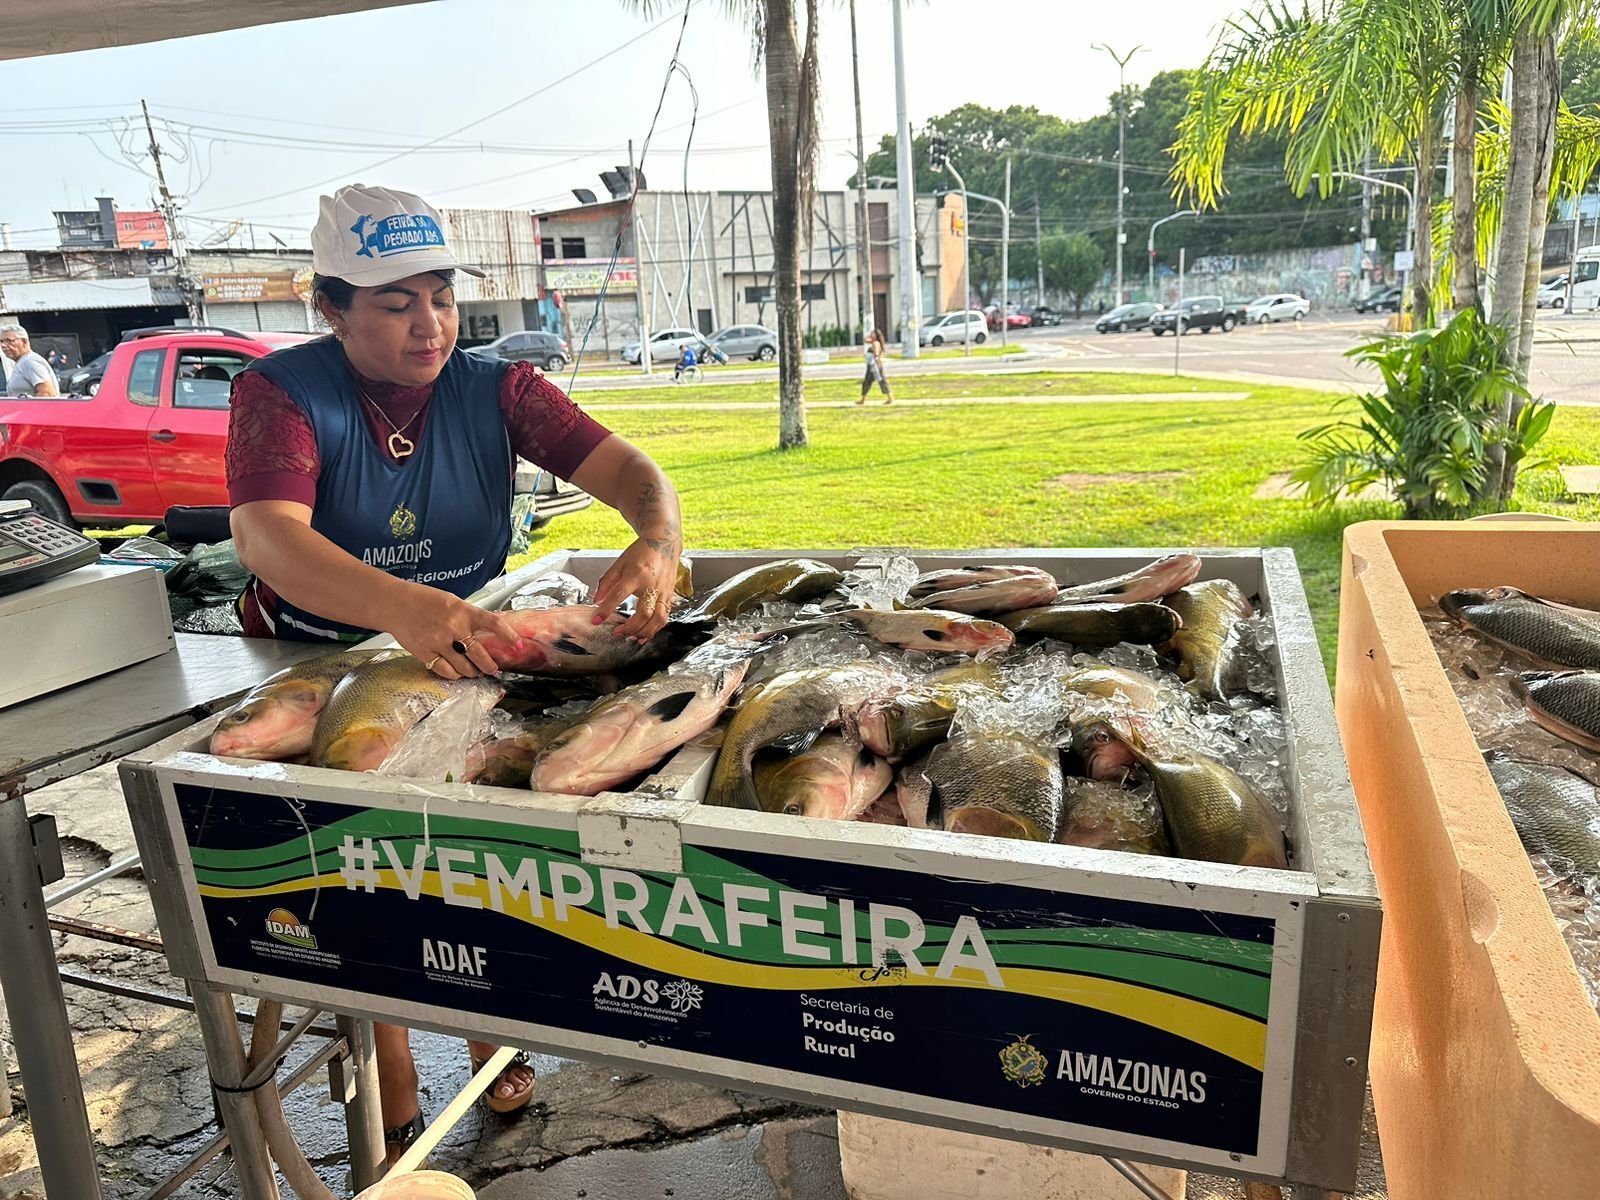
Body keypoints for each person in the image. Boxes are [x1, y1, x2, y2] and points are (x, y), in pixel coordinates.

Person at [224, 183, 683, 1163]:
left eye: (439, 295)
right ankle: (388, 1085)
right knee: (365, 872)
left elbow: (634, 473)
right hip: (317, 656)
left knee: (473, 859)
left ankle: (491, 1034)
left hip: (469, 649)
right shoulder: (282, 393)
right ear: (331, 307)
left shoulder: (498, 388)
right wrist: (404, 609)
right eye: (394, 302)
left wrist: (655, 539)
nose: (428, 323)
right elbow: (267, 538)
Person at [1, 325, 61, 397]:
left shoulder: (30, 361)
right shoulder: (22, 362)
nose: (3, 345)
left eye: (9, 341)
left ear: (24, 341)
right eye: (1, 341)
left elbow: (47, 393)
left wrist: (28, 408)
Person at [856, 329, 892, 405]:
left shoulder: (875, 343)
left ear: (876, 335)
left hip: (874, 365)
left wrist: (875, 362)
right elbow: (865, 340)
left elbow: (876, 354)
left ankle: (890, 398)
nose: (871, 335)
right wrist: (870, 336)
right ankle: (862, 399)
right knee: (868, 382)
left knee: (880, 381)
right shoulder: (874, 342)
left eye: (873, 334)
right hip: (872, 365)